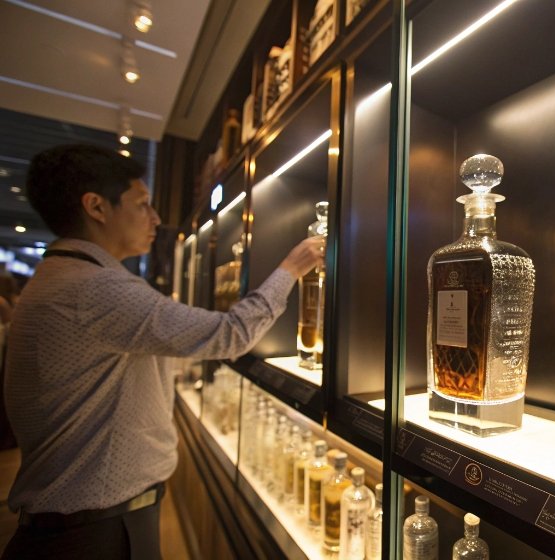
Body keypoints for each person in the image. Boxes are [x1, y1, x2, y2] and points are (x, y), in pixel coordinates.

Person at [1, 144, 324, 559]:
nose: (155, 218)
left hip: (81, 521)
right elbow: (232, 334)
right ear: (96, 207)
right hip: (95, 531)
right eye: (143, 204)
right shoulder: (95, 288)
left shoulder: (62, 277)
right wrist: (292, 268)